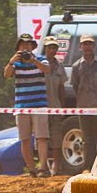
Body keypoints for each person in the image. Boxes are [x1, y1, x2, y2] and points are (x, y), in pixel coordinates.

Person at [4, 33, 51, 177]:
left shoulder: (41, 59)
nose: (26, 47)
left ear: (33, 46)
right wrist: (11, 62)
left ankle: (43, 168)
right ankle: (31, 169)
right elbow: (6, 75)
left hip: (39, 104)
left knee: (41, 137)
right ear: (18, 47)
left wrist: (33, 61)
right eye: (23, 45)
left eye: (28, 44)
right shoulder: (16, 63)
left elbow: (47, 70)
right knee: (24, 139)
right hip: (22, 105)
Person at [71, 34, 97, 167]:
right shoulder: (76, 66)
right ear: (80, 47)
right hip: (83, 107)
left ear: (94, 46)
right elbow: (75, 86)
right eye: (84, 44)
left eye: (90, 44)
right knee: (86, 139)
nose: (87, 47)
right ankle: (88, 167)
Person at [42, 36, 67, 165]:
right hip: (41, 106)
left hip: (55, 106)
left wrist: (62, 107)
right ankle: (44, 166)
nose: (52, 50)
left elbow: (61, 87)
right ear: (45, 48)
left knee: (57, 138)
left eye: (54, 48)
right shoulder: (39, 64)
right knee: (43, 138)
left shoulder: (59, 66)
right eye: (49, 47)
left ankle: (57, 167)